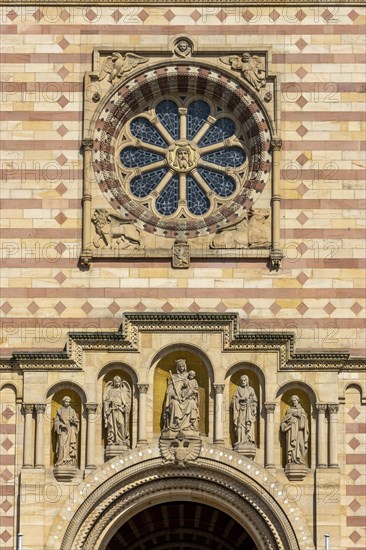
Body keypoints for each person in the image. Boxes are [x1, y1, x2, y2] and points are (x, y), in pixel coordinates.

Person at [163, 359, 200, 433]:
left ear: (185, 366)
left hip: (186, 398)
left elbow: (193, 389)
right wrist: (174, 395)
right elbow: (169, 392)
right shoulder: (174, 377)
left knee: (191, 402)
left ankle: (189, 425)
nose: (182, 368)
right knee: (174, 403)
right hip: (177, 398)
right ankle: (175, 424)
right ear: (177, 367)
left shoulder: (189, 376)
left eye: (183, 366)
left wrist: (189, 394)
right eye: (180, 366)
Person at [281, 395, 309, 465]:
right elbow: (285, 420)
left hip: (299, 431)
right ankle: (291, 460)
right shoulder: (289, 409)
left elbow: (305, 421)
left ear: (297, 400)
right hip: (291, 431)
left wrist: (300, 417)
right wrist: (290, 421)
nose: (294, 402)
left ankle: (301, 460)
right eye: (293, 401)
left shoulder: (302, 410)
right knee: (291, 444)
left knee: (301, 445)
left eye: (295, 400)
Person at [104, 376, 131, 446]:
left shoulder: (122, 391)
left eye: (118, 382)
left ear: (120, 382)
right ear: (114, 382)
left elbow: (126, 402)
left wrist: (123, 407)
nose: (117, 383)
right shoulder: (110, 391)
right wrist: (110, 402)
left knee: (121, 424)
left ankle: (122, 440)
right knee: (112, 425)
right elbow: (106, 401)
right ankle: (112, 439)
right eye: (116, 382)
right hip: (112, 411)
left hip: (120, 411)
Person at [231, 375, 258, 446]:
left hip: (248, 410)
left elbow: (255, 400)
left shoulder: (251, 389)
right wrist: (239, 399)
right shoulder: (238, 389)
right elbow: (233, 400)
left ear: (247, 381)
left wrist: (249, 401)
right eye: (242, 380)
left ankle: (247, 440)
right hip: (240, 410)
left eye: (244, 380)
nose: (243, 382)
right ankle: (239, 440)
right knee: (239, 424)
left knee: (247, 424)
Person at [54, 396, 79, 466]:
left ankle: (69, 461)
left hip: (70, 430)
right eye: (66, 402)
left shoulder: (72, 411)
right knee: (61, 445)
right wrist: (61, 425)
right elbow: (56, 422)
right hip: (62, 431)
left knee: (69, 446)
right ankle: (61, 461)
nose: (67, 403)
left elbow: (77, 422)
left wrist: (73, 421)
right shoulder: (59, 411)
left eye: (68, 402)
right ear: (63, 402)